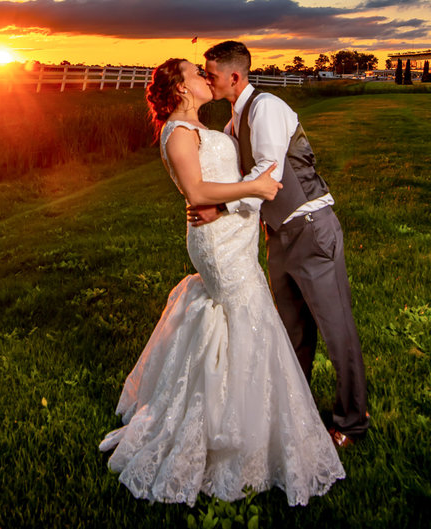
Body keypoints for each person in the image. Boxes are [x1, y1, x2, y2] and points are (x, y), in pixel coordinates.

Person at [99, 58, 344, 506]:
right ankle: (226, 432)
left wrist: (244, 192)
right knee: (243, 315)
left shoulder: (203, 127)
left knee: (243, 318)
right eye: (196, 73)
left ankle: (248, 415)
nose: (204, 78)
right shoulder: (178, 132)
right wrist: (254, 190)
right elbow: (196, 193)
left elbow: (220, 179)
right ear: (180, 88)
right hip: (217, 245)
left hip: (235, 237)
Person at [195, 41, 369, 447]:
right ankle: (298, 410)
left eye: (211, 74)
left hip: (310, 229)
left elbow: (266, 176)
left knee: (335, 329)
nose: (207, 79)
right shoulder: (232, 126)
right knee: (292, 332)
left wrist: (218, 208)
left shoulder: (266, 107)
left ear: (234, 77)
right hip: (279, 240)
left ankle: (352, 423)